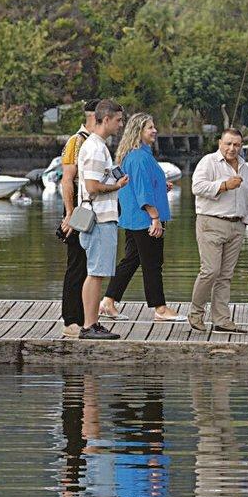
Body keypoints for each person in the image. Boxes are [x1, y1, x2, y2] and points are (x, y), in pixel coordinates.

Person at [102, 113, 181, 323]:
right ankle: (160, 308)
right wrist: (154, 217)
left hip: (135, 218)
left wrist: (161, 186)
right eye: (150, 127)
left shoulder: (140, 155)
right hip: (144, 219)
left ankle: (108, 302)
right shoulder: (138, 157)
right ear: (139, 131)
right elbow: (142, 192)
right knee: (153, 263)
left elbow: (142, 184)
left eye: (154, 127)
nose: (154, 130)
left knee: (131, 260)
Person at [188, 127, 248, 333]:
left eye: (236, 145)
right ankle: (196, 313)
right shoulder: (209, 162)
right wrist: (224, 185)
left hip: (236, 225)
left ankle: (222, 320)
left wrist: (245, 220)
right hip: (211, 222)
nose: (232, 148)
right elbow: (196, 187)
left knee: (225, 275)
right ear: (220, 143)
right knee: (210, 270)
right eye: (228, 144)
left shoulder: (244, 167)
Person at [76, 99, 128, 340]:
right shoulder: (96, 148)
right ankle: (89, 325)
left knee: (95, 271)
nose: (121, 125)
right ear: (105, 119)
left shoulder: (97, 146)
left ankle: (91, 323)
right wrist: (116, 185)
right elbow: (92, 186)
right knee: (96, 272)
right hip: (99, 218)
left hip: (100, 217)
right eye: (118, 120)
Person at [55, 102, 97, 338]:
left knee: (88, 262)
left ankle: (83, 316)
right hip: (79, 210)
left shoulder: (95, 142)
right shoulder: (77, 141)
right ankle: (71, 319)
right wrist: (70, 214)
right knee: (76, 262)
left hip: (90, 208)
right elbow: (67, 179)